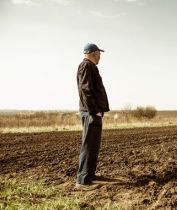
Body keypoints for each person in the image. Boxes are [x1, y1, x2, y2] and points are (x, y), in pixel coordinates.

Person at [76, 43, 110, 188]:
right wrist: (94, 110)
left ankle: (89, 175)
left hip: (94, 112)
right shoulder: (86, 66)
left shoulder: (90, 66)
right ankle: (83, 180)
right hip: (91, 112)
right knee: (89, 145)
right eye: (99, 54)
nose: (100, 57)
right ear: (94, 53)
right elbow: (85, 90)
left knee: (93, 145)